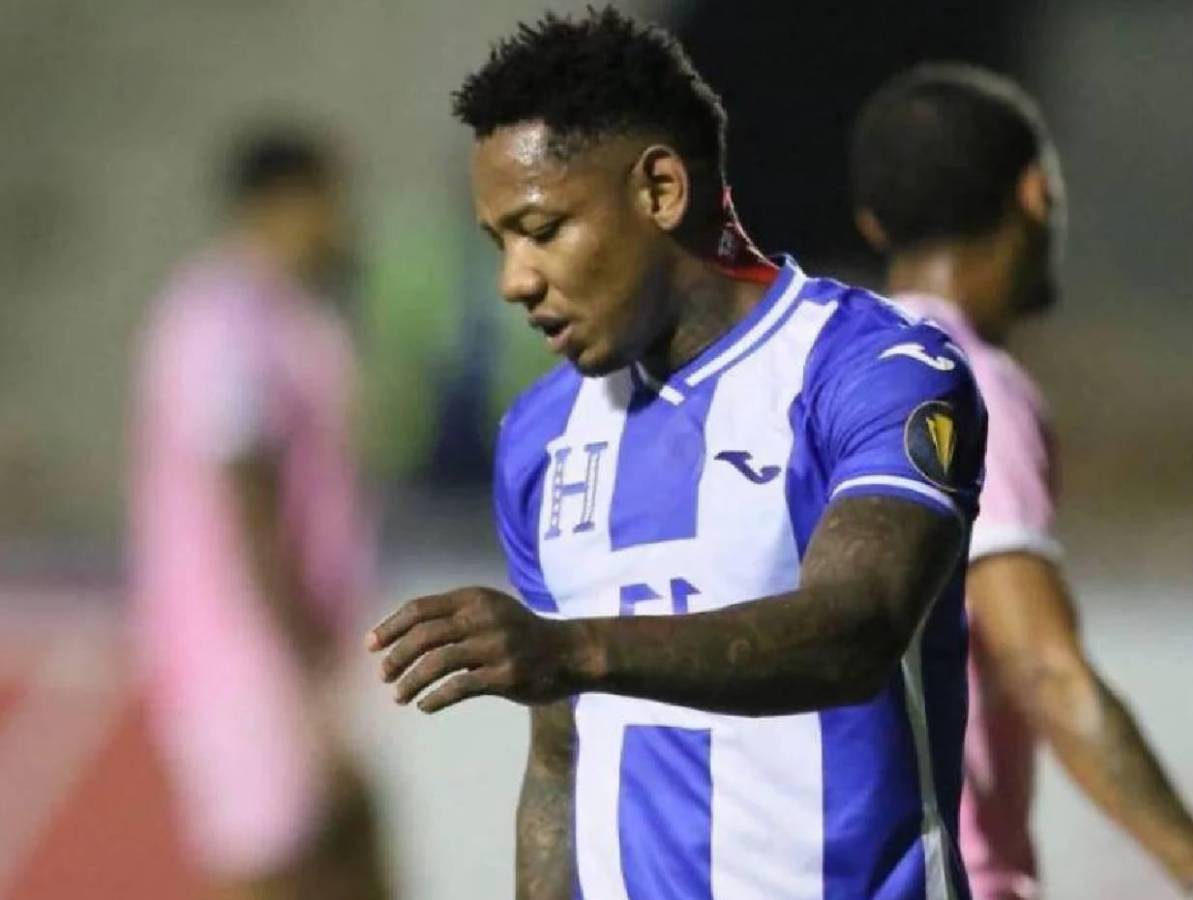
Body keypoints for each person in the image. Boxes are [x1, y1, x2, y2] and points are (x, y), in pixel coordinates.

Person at [369, 9, 986, 898]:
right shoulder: (540, 437)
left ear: (660, 189)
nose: (515, 281)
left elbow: (858, 629)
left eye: (543, 229)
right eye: (499, 244)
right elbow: (559, 759)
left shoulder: (871, 369)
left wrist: (575, 649)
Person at [850, 63, 1193, 899]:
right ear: (1037, 195)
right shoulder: (963, 384)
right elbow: (1038, 664)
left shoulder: (824, 377)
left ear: (873, 224)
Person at [130, 127, 387, 899]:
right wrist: (298, 656)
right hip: (244, 649)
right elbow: (247, 495)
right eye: (326, 202)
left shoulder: (298, 315)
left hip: (311, 639)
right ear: (278, 203)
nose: (340, 223)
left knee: (352, 843)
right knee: (271, 861)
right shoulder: (217, 318)